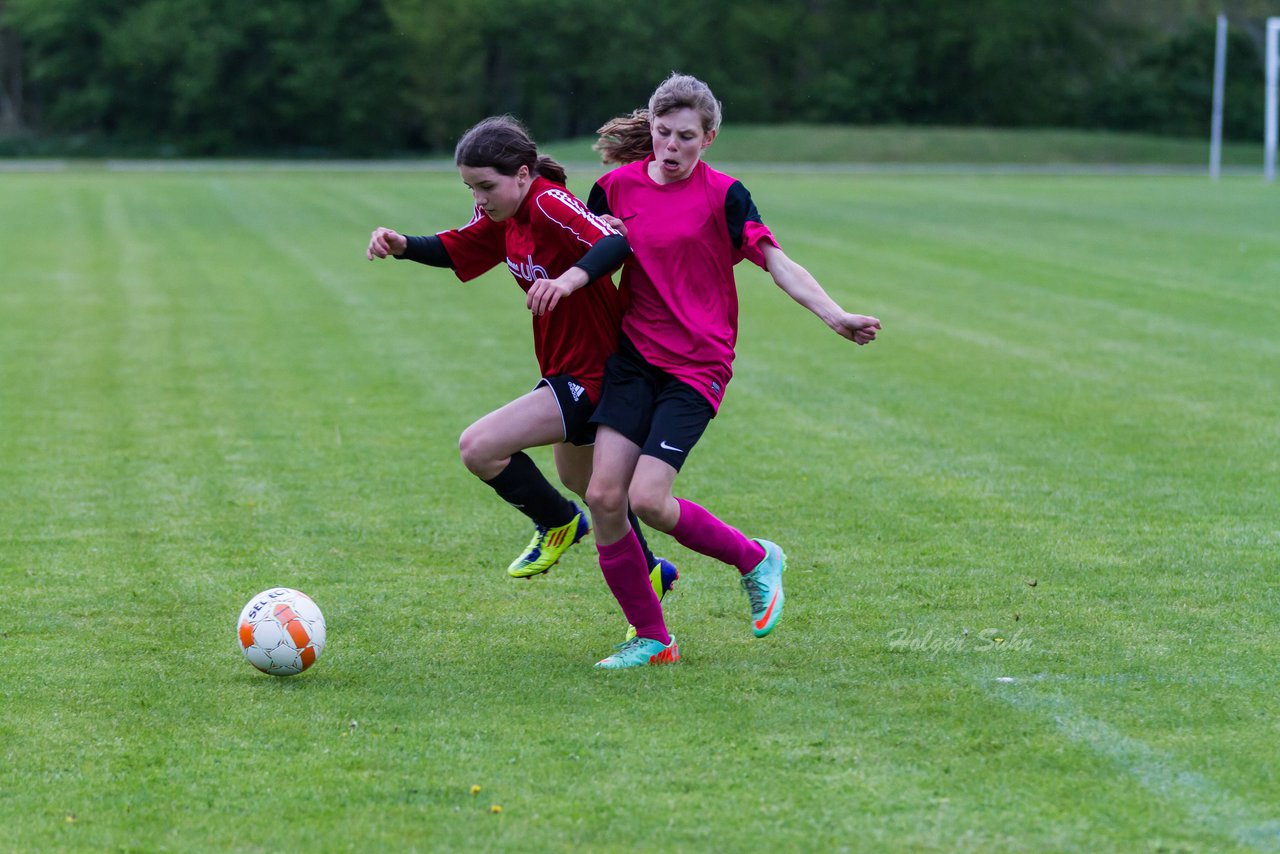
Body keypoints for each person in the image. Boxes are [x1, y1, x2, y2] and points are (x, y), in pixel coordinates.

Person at [526, 74, 881, 669]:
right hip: (634, 359)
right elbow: (584, 251)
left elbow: (776, 261)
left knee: (649, 499)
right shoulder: (613, 188)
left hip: (697, 366)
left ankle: (755, 558)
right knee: (605, 495)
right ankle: (653, 638)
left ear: (708, 138)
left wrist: (834, 314)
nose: (670, 146)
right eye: (662, 133)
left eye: (685, 137)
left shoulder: (725, 195)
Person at [366, 116, 677, 629]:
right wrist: (403, 244)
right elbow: (457, 248)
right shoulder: (504, 217)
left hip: (597, 370)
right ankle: (649, 574)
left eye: (486, 186)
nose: (480, 198)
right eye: (471, 187)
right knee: (585, 482)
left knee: (480, 446)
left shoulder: (548, 202)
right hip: (564, 366)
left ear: (524, 174)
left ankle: (556, 525)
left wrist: (570, 279)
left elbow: (615, 242)